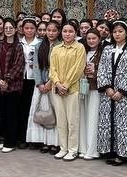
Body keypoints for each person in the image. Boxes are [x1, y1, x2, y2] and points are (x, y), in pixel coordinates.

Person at [97, 20, 127, 166]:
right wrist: (107, 88)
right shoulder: (107, 49)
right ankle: (109, 151)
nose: (117, 34)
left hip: (123, 96)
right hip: (107, 94)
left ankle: (122, 154)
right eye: (115, 31)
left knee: (123, 124)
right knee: (107, 122)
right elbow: (102, 69)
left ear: (126, 33)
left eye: (120, 31)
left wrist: (121, 91)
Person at [48, 21, 86, 160]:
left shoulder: (79, 47)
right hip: (57, 89)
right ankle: (63, 148)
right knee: (61, 121)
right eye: (65, 31)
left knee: (72, 121)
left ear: (75, 33)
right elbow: (52, 69)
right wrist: (58, 84)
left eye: (70, 31)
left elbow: (78, 68)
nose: (67, 34)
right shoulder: (56, 48)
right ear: (61, 32)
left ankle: (73, 150)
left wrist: (66, 84)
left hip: (72, 89)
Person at [25, 21, 59, 153]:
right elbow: (36, 66)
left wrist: (50, 82)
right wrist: (39, 83)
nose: (50, 33)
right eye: (48, 30)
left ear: (58, 32)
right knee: (41, 113)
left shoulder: (61, 46)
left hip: (54, 85)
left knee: (54, 114)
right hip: (40, 85)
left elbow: (59, 68)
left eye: (54, 30)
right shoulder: (39, 45)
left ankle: (54, 143)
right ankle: (43, 142)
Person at [0, 17, 26, 153]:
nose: (8, 30)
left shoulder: (18, 46)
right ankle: (6, 139)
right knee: (4, 114)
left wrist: (7, 80)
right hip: (1, 86)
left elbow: (19, 66)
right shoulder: (0, 45)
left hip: (13, 86)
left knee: (12, 115)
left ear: (15, 30)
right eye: (6, 28)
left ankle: (11, 142)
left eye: (10, 28)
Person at [15, 17, 41, 148]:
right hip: (21, 79)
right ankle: (22, 138)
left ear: (35, 29)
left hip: (35, 80)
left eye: (32, 28)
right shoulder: (19, 43)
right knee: (22, 109)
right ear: (22, 29)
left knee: (34, 109)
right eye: (26, 28)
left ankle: (34, 139)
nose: (29, 30)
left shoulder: (40, 43)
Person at [79, 28, 104, 160]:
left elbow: (106, 71)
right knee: (83, 117)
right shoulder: (83, 51)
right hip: (83, 88)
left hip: (95, 89)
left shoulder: (103, 53)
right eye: (89, 38)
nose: (91, 41)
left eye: (94, 38)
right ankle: (83, 147)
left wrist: (95, 72)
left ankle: (92, 150)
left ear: (99, 39)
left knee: (93, 118)